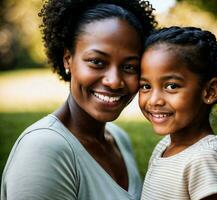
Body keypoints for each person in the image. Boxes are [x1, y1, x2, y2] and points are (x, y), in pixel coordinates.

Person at [1, 0, 157, 199]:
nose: (114, 81)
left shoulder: (118, 138)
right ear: (68, 59)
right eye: (97, 62)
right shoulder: (43, 150)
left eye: (129, 67)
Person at [138, 26, 217, 200]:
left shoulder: (205, 159)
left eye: (171, 86)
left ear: (209, 91)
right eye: (146, 86)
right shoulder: (165, 145)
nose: (154, 100)